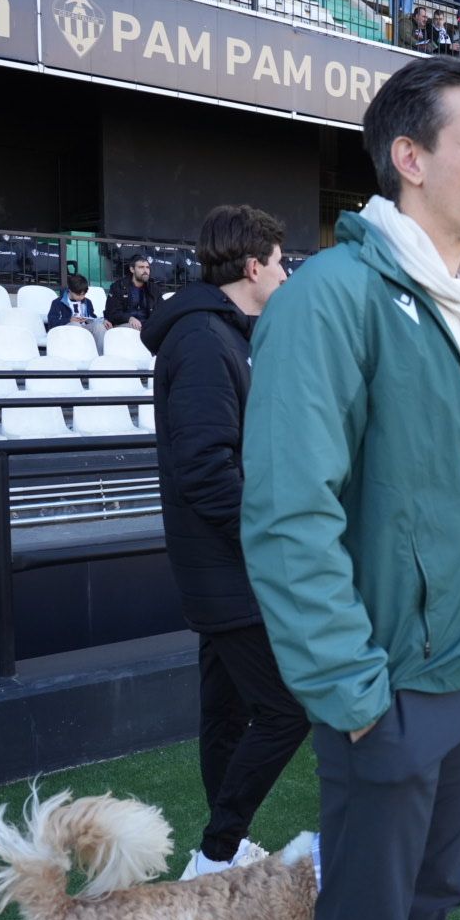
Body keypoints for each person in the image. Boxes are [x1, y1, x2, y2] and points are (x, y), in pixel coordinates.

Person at [241, 57, 460, 920]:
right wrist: (350, 693)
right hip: (392, 690)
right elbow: (290, 513)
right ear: (409, 157)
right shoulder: (331, 297)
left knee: (432, 904)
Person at [140, 205, 309, 880]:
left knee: (227, 712)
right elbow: (208, 472)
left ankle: (226, 849)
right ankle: (216, 852)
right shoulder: (206, 342)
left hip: (225, 566)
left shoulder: (222, 334)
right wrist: (275, 545)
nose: (286, 272)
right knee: (286, 711)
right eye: (280, 261)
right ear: (252, 267)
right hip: (230, 569)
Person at [45, 273, 108, 345]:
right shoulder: (58, 303)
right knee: (75, 325)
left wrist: (89, 319)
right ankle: (79, 352)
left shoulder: (87, 302)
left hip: (85, 328)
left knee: (99, 327)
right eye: (78, 295)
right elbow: (52, 322)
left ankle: (100, 354)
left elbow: (92, 317)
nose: (81, 297)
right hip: (66, 330)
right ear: (70, 290)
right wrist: (69, 320)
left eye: (83, 294)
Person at [107, 254, 159, 330]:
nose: (145, 271)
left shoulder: (154, 289)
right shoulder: (119, 287)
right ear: (132, 269)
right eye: (141, 267)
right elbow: (112, 313)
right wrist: (129, 318)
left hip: (147, 326)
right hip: (125, 325)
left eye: (147, 267)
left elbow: (161, 310)